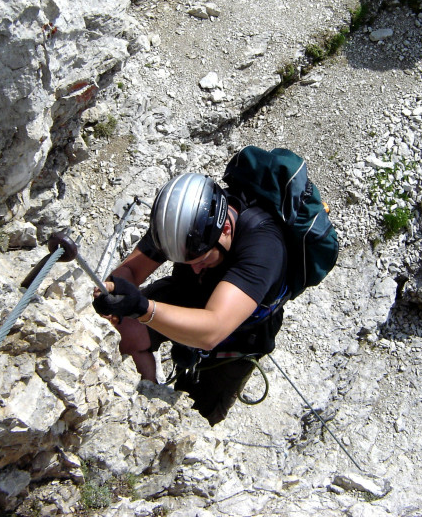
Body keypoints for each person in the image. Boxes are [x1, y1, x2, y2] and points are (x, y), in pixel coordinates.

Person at [93, 172, 288, 425]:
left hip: (237, 338)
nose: (195, 267)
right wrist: (115, 291)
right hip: (188, 293)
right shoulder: (181, 224)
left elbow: (212, 330)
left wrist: (142, 308)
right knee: (125, 329)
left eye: (202, 260)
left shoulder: (264, 248)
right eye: (184, 262)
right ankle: (147, 399)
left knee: (200, 412)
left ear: (226, 229)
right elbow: (130, 270)